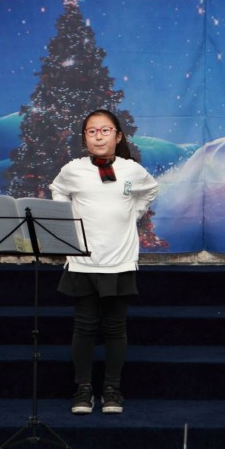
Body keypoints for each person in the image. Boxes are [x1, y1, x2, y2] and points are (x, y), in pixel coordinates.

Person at [49, 109, 158, 415]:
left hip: (119, 261)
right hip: (83, 262)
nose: (99, 137)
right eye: (92, 131)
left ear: (118, 136)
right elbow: (57, 190)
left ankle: (112, 389)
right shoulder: (73, 169)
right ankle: (83, 389)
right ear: (85, 138)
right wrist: (67, 219)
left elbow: (150, 190)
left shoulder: (131, 170)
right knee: (84, 326)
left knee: (115, 328)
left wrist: (134, 212)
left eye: (105, 130)